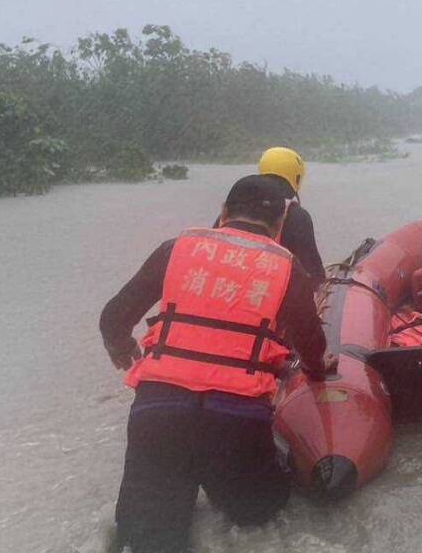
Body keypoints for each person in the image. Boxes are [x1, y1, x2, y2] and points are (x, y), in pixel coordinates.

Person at [101, 174, 335, 552]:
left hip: (158, 411)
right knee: (259, 513)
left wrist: (121, 347)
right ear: (279, 224)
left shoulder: (175, 249)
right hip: (235, 420)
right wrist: (316, 371)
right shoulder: (288, 268)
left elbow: (112, 318)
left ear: (223, 212)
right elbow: (310, 343)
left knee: (147, 537)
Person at [213, 147, 324, 281]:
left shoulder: (233, 212)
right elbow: (314, 274)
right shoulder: (297, 216)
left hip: (225, 282)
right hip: (267, 287)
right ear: (297, 177)